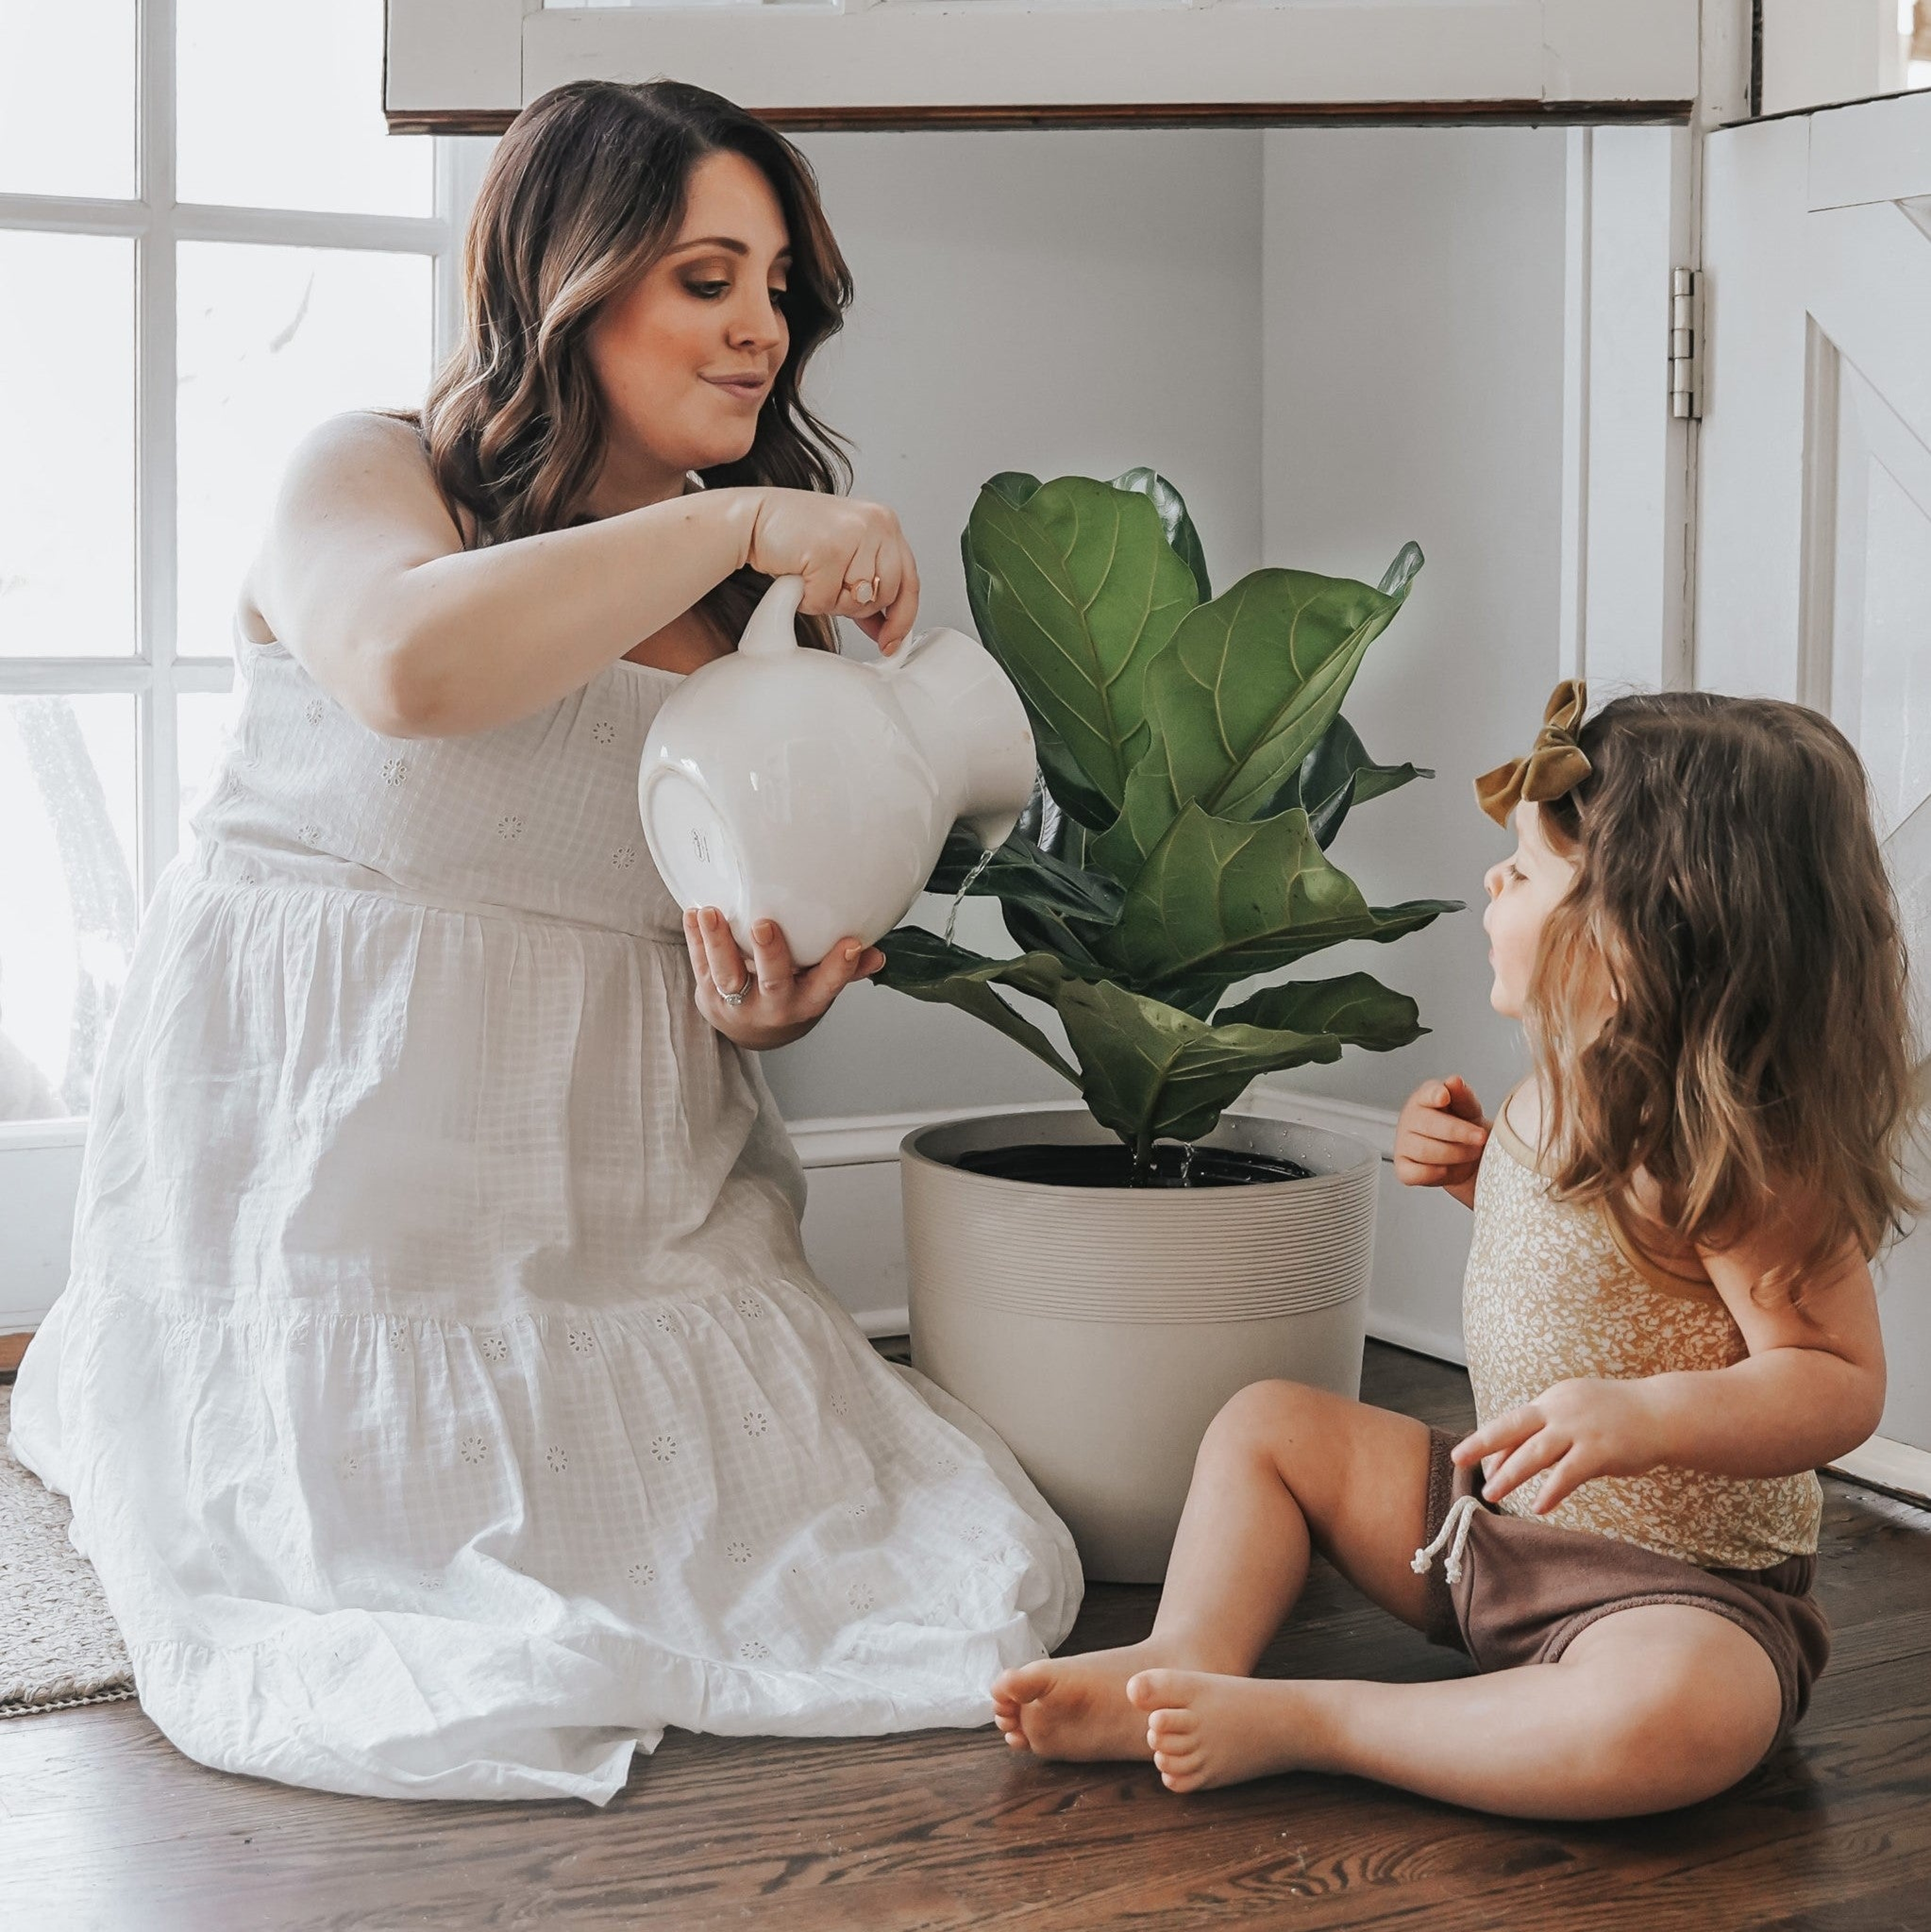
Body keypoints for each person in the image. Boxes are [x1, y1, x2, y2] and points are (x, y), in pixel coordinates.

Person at [9, 77, 1078, 1805]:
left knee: (882, 1560)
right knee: (372, 1582)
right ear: (572, 282)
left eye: (781, 288)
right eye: (706, 278)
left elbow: (704, 930)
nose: (760, 331)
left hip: (602, 1183)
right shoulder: (376, 473)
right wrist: (734, 519)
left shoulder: (763, 616)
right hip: (324, 1170)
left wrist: (764, 1008)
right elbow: (410, 674)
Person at [990, 683, 1914, 1818]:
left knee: (1686, 1709)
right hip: (1488, 1526)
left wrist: (1648, 1417)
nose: (1493, 880)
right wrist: (1486, 1179)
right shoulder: (1558, 1087)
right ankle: (1184, 1654)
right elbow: (1601, 1273)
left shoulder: (1746, 1160)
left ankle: (1323, 1722)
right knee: (1268, 1422)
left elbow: (1838, 1381)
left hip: (1676, 1592)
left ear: (1643, 929)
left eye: (1525, 870)